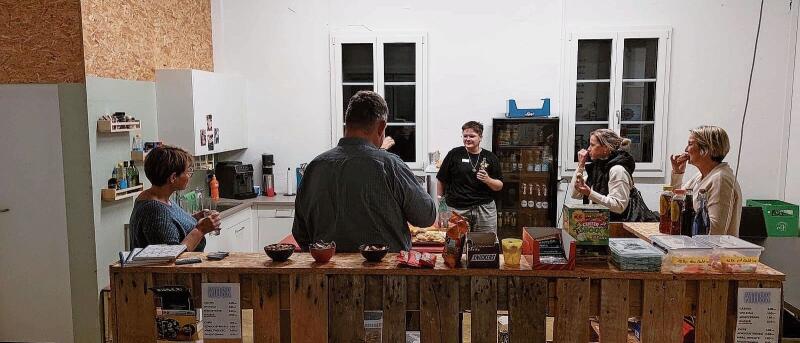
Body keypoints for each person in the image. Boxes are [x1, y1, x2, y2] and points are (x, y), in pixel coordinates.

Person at [292, 91, 436, 252]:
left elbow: (300, 234)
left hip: (329, 272)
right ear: (381, 127)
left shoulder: (315, 167)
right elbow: (426, 216)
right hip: (384, 273)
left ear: (347, 123)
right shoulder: (390, 165)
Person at [129, 145, 221, 251]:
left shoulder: (160, 198)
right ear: (173, 177)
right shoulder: (155, 210)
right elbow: (172, 257)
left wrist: (195, 218)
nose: (189, 176)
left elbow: (171, 225)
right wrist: (201, 229)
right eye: (188, 172)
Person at [571, 129, 656, 222]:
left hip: (622, 228)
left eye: (592, 145)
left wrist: (590, 194)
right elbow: (575, 194)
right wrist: (580, 166)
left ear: (606, 148)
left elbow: (619, 206)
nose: (588, 149)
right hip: (604, 226)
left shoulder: (617, 170)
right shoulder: (598, 168)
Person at [670, 125, 742, 235]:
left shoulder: (720, 180)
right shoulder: (700, 176)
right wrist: (677, 174)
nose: (686, 150)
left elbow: (715, 231)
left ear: (707, 149)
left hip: (713, 251)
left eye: (690, 144)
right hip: (694, 246)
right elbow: (674, 207)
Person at [437, 121, 503, 232]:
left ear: (480, 137)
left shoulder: (490, 157)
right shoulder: (454, 154)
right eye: (465, 136)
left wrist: (488, 180)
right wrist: (441, 203)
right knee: (454, 244)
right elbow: (441, 179)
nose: (468, 139)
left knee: (485, 243)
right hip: (457, 209)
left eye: (472, 136)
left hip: (484, 210)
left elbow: (499, 186)